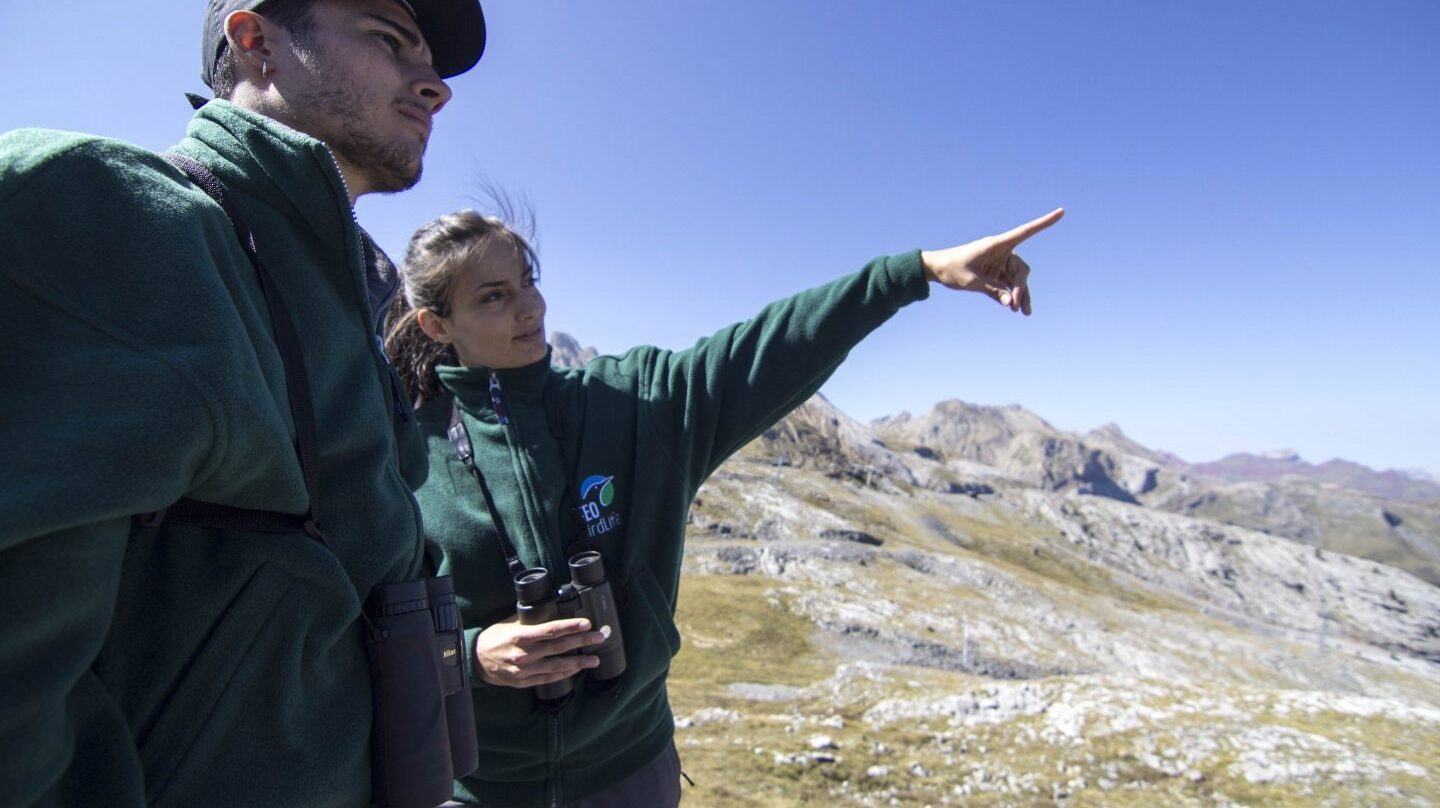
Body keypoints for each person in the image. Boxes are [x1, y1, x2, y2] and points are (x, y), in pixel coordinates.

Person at [384, 204, 1064, 806]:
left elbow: (766, 347)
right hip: (482, 788)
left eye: (528, 281)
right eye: (494, 297)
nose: (530, 308)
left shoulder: (636, 403)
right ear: (437, 325)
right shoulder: (403, 452)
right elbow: (365, 621)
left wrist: (916, 272)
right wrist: (472, 654)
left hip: (632, 772)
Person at [0, 1, 485, 806]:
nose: (433, 86)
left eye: (429, 62)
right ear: (254, 39)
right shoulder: (128, 221)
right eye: (389, 40)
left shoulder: (349, 294)